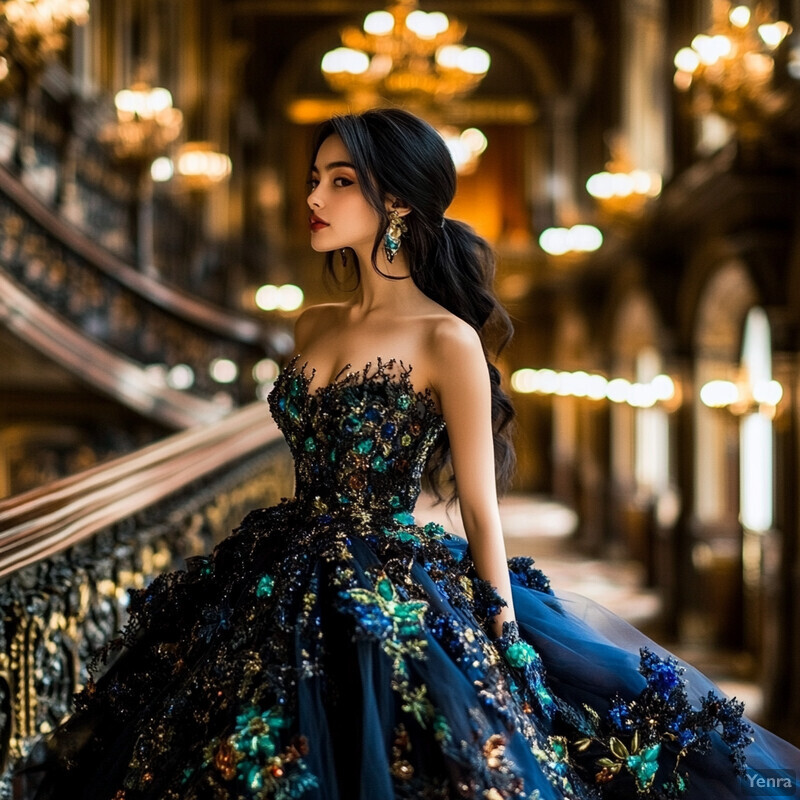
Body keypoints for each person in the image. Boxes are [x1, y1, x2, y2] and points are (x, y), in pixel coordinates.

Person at [31, 108, 800, 799]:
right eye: (314, 178)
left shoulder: (448, 339)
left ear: (396, 202)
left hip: (390, 586)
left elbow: (479, 506)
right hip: (273, 567)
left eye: (340, 181)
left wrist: (502, 634)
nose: (316, 198)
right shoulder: (310, 325)